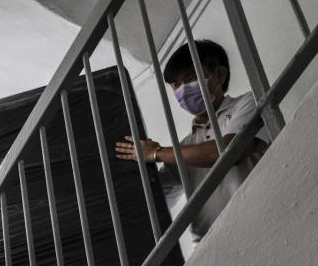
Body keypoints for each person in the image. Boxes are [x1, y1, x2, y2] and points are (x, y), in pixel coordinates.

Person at [115, 39, 270, 245]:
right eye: (176, 86)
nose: (182, 91)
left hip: (261, 222)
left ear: (219, 75)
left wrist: (157, 152)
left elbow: (224, 152)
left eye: (190, 79)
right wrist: (140, 165)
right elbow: (157, 202)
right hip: (209, 245)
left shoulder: (248, 103)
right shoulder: (186, 145)